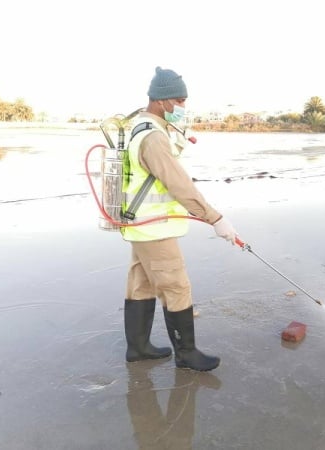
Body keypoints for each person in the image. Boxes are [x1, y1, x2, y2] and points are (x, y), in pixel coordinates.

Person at [121, 66, 237, 372]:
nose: (183, 107)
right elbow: (178, 183)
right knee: (176, 286)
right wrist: (215, 218)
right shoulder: (153, 138)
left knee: (141, 284)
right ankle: (187, 354)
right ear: (161, 101)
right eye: (180, 101)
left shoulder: (143, 128)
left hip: (141, 225)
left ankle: (139, 348)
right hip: (153, 227)